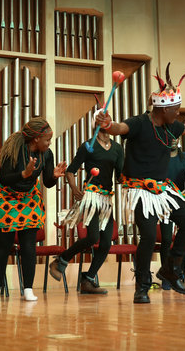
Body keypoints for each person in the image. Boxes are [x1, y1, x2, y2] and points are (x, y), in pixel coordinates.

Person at [96, 64, 185, 304]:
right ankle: (142, 286)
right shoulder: (140, 123)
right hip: (139, 191)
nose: (178, 113)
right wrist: (108, 125)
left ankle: (170, 268)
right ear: (163, 109)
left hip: (162, 189)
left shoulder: (171, 126)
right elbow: (121, 128)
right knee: (148, 236)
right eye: (176, 109)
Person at [0, 117, 67, 302]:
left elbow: (47, 182)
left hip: (29, 198)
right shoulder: (14, 150)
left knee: (29, 245)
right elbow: (4, 178)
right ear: (36, 139)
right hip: (6, 198)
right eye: (47, 139)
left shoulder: (47, 154)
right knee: (3, 246)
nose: (49, 143)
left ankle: (28, 289)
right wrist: (24, 174)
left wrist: (54, 176)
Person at [49, 125, 124, 294]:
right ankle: (62, 260)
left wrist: (131, 174)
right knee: (93, 237)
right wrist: (75, 189)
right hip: (91, 196)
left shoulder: (118, 148)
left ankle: (88, 279)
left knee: (106, 243)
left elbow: (119, 176)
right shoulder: (88, 146)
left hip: (106, 198)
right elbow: (70, 171)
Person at [157, 146, 185, 290]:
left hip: (181, 200)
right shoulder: (160, 156)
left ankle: (178, 273)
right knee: (166, 239)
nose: (173, 138)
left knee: (183, 240)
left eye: (175, 136)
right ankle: (166, 275)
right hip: (164, 201)